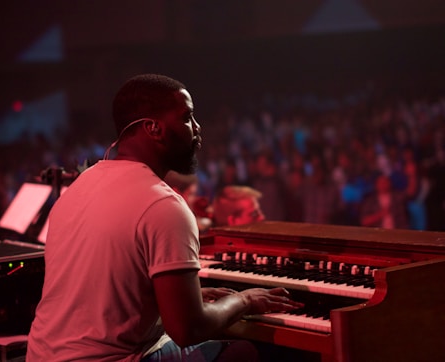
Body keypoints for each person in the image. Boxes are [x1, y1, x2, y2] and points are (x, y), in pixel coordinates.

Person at [26, 74, 302, 361]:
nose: (197, 128)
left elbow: (103, 290)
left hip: (41, 356)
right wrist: (243, 300)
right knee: (244, 352)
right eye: (187, 117)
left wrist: (185, 299)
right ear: (154, 128)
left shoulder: (79, 187)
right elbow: (188, 329)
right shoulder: (163, 205)